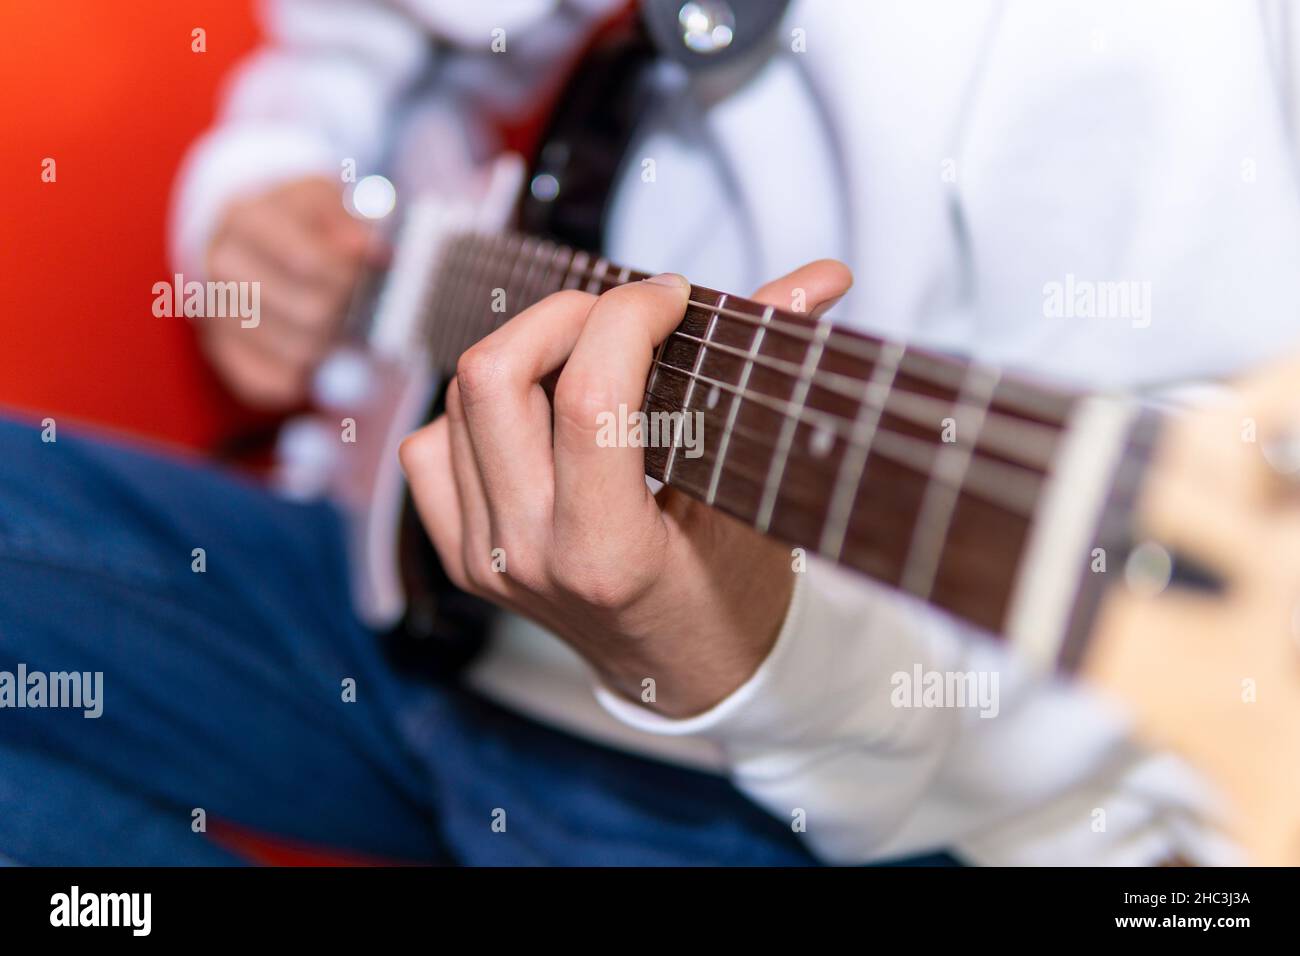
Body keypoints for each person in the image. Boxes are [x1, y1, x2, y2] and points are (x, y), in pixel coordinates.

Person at [4, 0, 1298, 864]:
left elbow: (1074, 765)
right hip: (400, 595)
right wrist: (274, 179)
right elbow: (390, 35)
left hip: (755, 803)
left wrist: (737, 644)